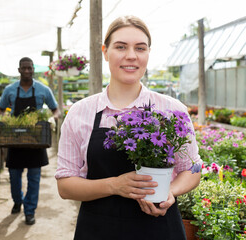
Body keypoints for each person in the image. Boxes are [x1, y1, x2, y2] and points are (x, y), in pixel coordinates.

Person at [55, 16, 202, 239]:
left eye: (140, 48)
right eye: (121, 47)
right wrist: (115, 185)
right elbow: (65, 186)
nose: (131, 56)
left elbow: (193, 170)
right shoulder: (80, 113)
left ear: (148, 54)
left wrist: (168, 191)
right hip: (99, 230)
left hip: (159, 228)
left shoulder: (172, 109)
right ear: (105, 52)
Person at [0, 57, 60, 225]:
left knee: (34, 178)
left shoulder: (43, 90)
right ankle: (18, 200)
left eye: (29, 68)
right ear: (19, 70)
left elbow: (56, 110)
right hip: (14, 139)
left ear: (33, 69)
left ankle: (30, 210)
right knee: (14, 176)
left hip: (35, 139)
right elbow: (0, 109)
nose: (26, 71)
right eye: (23, 68)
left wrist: (51, 120)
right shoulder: (10, 90)